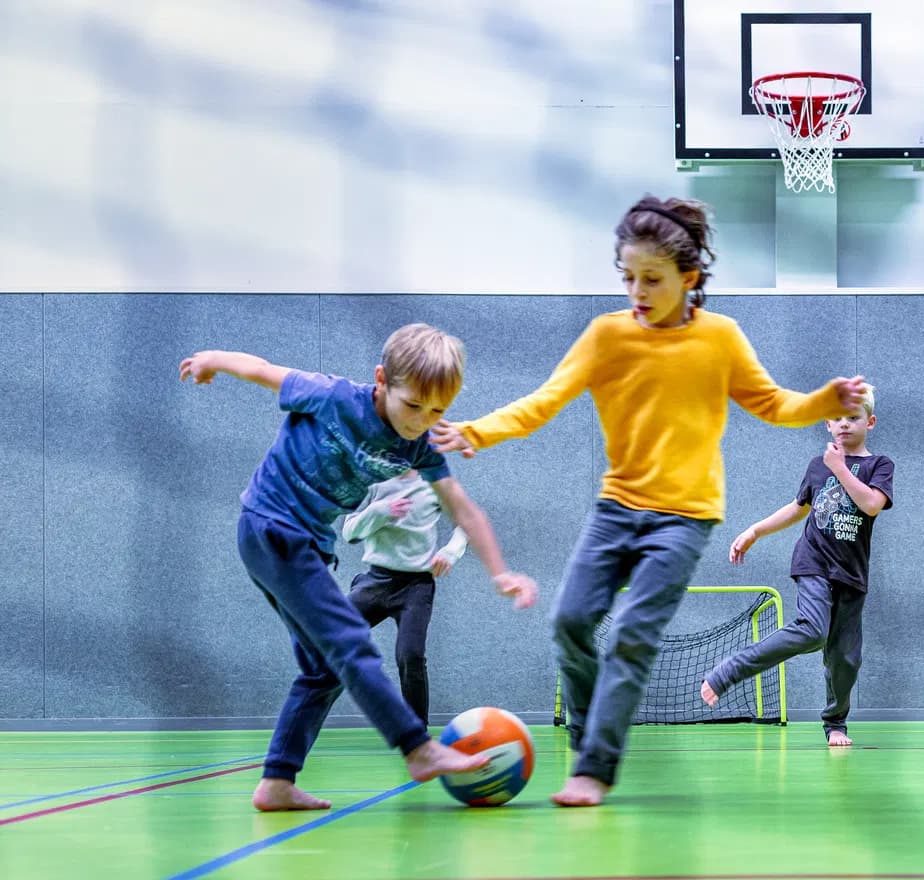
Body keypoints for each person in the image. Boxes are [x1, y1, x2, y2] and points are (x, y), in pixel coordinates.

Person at [431, 195, 866, 806]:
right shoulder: (606, 336)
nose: (637, 290)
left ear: (689, 279)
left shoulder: (721, 339)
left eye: (652, 279)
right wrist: (473, 432)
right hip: (617, 509)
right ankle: (588, 736)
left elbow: (774, 405)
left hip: (685, 518)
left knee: (635, 634)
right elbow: (544, 400)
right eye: (628, 276)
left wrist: (826, 399)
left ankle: (595, 768)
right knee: (570, 623)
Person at [179, 323, 538, 811]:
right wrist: (212, 358)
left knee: (322, 669)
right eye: (413, 406)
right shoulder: (331, 397)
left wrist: (500, 572)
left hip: (302, 544)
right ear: (382, 381)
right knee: (351, 641)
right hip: (272, 528)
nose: (421, 421)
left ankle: (277, 782)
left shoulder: (419, 444)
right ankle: (417, 747)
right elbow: (262, 370)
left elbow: (462, 507)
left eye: (437, 411)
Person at [701, 385, 892, 748]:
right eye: (837, 418)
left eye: (853, 418)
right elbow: (799, 506)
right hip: (814, 562)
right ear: (827, 423)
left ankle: (836, 723)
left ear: (870, 421)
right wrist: (755, 530)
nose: (845, 424)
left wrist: (841, 469)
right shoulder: (818, 467)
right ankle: (730, 671)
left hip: (851, 574)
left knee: (845, 659)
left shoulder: (878, 466)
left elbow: (870, 505)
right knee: (812, 631)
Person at [342, 469, 471, 726]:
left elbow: (466, 523)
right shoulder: (369, 479)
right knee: (328, 640)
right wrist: (380, 511)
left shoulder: (434, 481)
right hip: (375, 582)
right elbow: (349, 532)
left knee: (410, 655)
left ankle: (418, 735)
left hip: (415, 587)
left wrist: (450, 552)